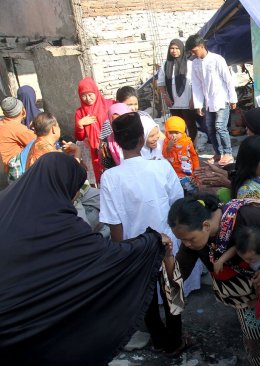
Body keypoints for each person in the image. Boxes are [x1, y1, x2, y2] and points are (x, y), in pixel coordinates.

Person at [0, 152, 172, 365]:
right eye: (75, 189)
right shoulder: (63, 225)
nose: (76, 196)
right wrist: (151, 242)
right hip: (18, 329)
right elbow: (106, 256)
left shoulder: (6, 201)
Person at [99, 112, 200, 357]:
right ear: (141, 138)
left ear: (118, 142)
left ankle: (157, 338)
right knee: (172, 292)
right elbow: (178, 204)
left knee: (145, 296)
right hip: (166, 244)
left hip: (134, 248)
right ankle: (174, 341)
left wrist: (120, 254)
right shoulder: (160, 167)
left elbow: (114, 223)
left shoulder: (109, 177)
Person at [167, 194, 260, 366]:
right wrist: (167, 256)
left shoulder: (244, 215)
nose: (186, 244)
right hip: (247, 295)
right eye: (182, 241)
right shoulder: (193, 243)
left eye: (189, 239)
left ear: (206, 225)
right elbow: (178, 274)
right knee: (257, 335)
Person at [186, 34, 237, 166]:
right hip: (208, 102)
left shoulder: (217, 59)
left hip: (222, 99)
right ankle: (218, 153)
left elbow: (228, 79)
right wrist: (198, 104)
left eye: (194, 50)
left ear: (202, 46)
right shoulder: (195, 64)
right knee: (210, 128)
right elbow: (196, 85)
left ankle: (228, 153)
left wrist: (233, 98)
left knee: (220, 126)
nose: (193, 53)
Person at [214, 226, 260, 307]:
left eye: (250, 259)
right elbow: (235, 249)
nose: (246, 261)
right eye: (243, 258)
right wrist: (221, 260)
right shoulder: (251, 246)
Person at [74, 77, 115, 184]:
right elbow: (80, 137)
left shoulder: (109, 104)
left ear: (96, 92)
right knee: (103, 178)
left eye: (90, 94)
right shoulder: (80, 113)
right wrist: (80, 125)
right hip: (95, 151)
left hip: (112, 145)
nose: (87, 98)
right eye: (83, 95)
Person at [158, 39, 197, 141]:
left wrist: (193, 99)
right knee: (178, 127)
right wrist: (165, 97)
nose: (174, 51)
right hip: (173, 102)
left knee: (190, 125)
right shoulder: (165, 65)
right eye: (172, 48)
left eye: (177, 48)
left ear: (182, 49)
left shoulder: (190, 64)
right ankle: (181, 148)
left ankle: (191, 147)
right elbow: (161, 83)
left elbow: (195, 84)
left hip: (187, 101)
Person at [163, 116, 200, 193]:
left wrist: (196, 169)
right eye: (170, 132)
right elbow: (164, 155)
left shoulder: (187, 142)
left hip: (187, 171)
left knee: (191, 190)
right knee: (177, 191)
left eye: (177, 133)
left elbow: (194, 156)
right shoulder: (166, 142)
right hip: (174, 173)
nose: (173, 136)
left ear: (183, 132)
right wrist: (168, 147)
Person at [0, 97, 35, 173]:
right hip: (17, 170)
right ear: (23, 111)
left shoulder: (3, 123)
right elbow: (40, 140)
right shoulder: (17, 129)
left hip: (7, 167)